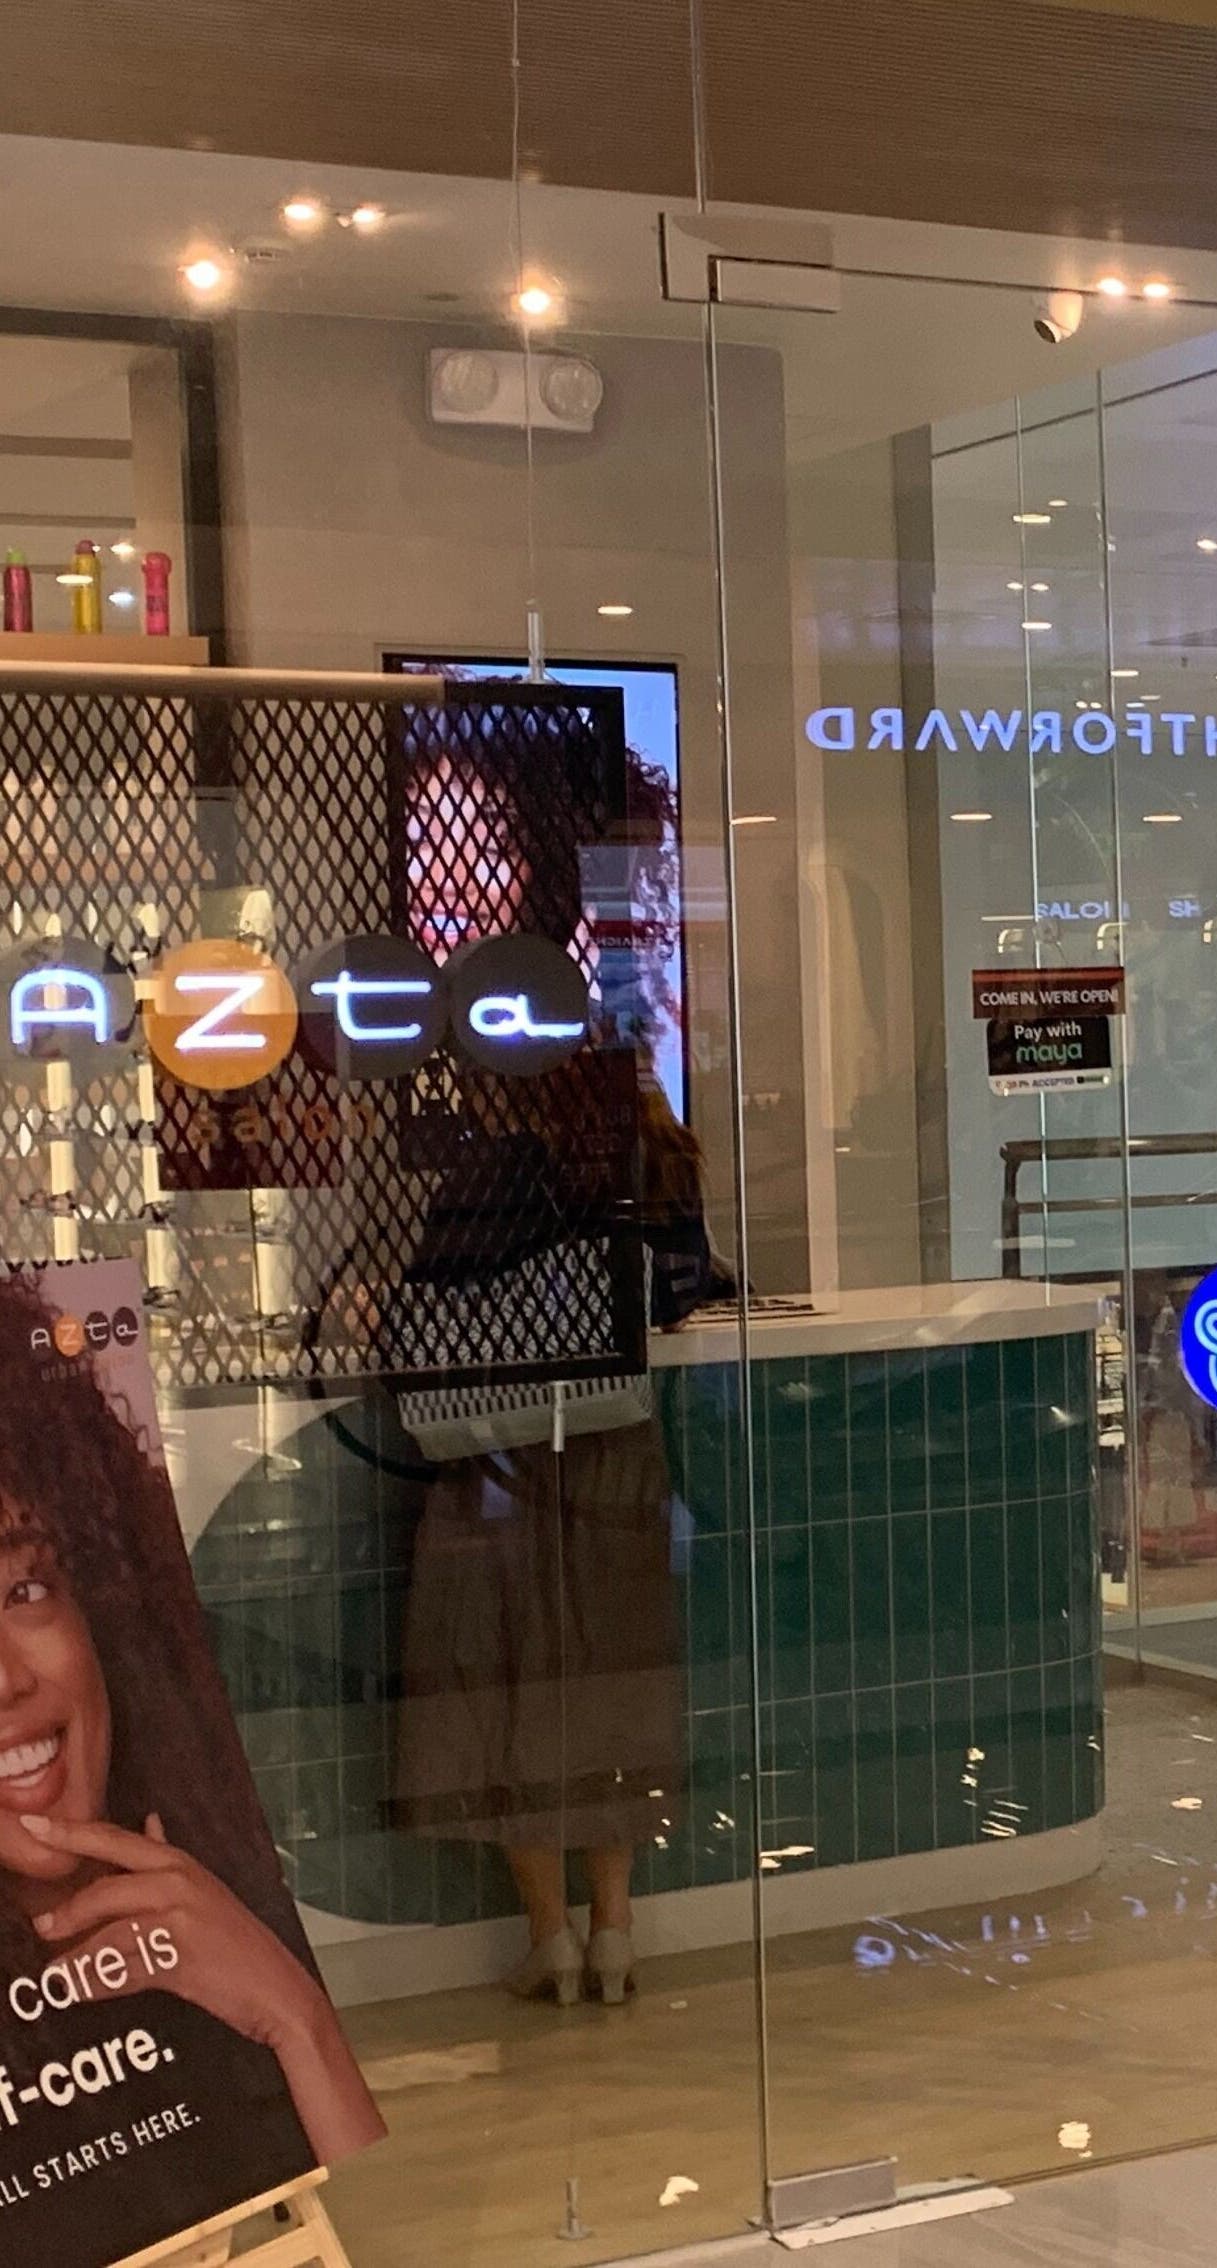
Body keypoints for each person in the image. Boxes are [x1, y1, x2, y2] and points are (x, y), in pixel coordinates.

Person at [378, 700, 699, 2012]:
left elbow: (421, 1289)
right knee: (612, 1682)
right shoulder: (627, 1095)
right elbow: (684, 1260)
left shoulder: (458, 1105)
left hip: (489, 1446)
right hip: (614, 1429)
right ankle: (618, 1929)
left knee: (501, 1693)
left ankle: (551, 1942)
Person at [0, 1273, 385, 2263]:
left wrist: (294, 2016)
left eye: (27, 1587)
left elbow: (334, 2197)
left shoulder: (204, 1905)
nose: (6, 1680)